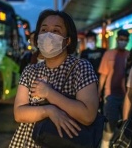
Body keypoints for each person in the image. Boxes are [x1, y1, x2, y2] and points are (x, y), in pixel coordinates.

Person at [9, 9, 99, 148]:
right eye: (44, 30)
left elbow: (88, 116)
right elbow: (19, 113)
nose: (48, 35)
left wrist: (49, 93)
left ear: (67, 40)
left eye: (56, 31)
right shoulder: (31, 70)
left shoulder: (80, 67)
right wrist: (49, 110)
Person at [98, 29, 130, 148]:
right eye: (121, 39)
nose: (123, 42)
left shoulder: (129, 55)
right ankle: (105, 144)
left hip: (126, 96)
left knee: (124, 124)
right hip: (110, 95)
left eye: (125, 40)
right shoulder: (108, 54)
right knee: (110, 123)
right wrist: (98, 93)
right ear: (117, 40)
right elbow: (103, 76)